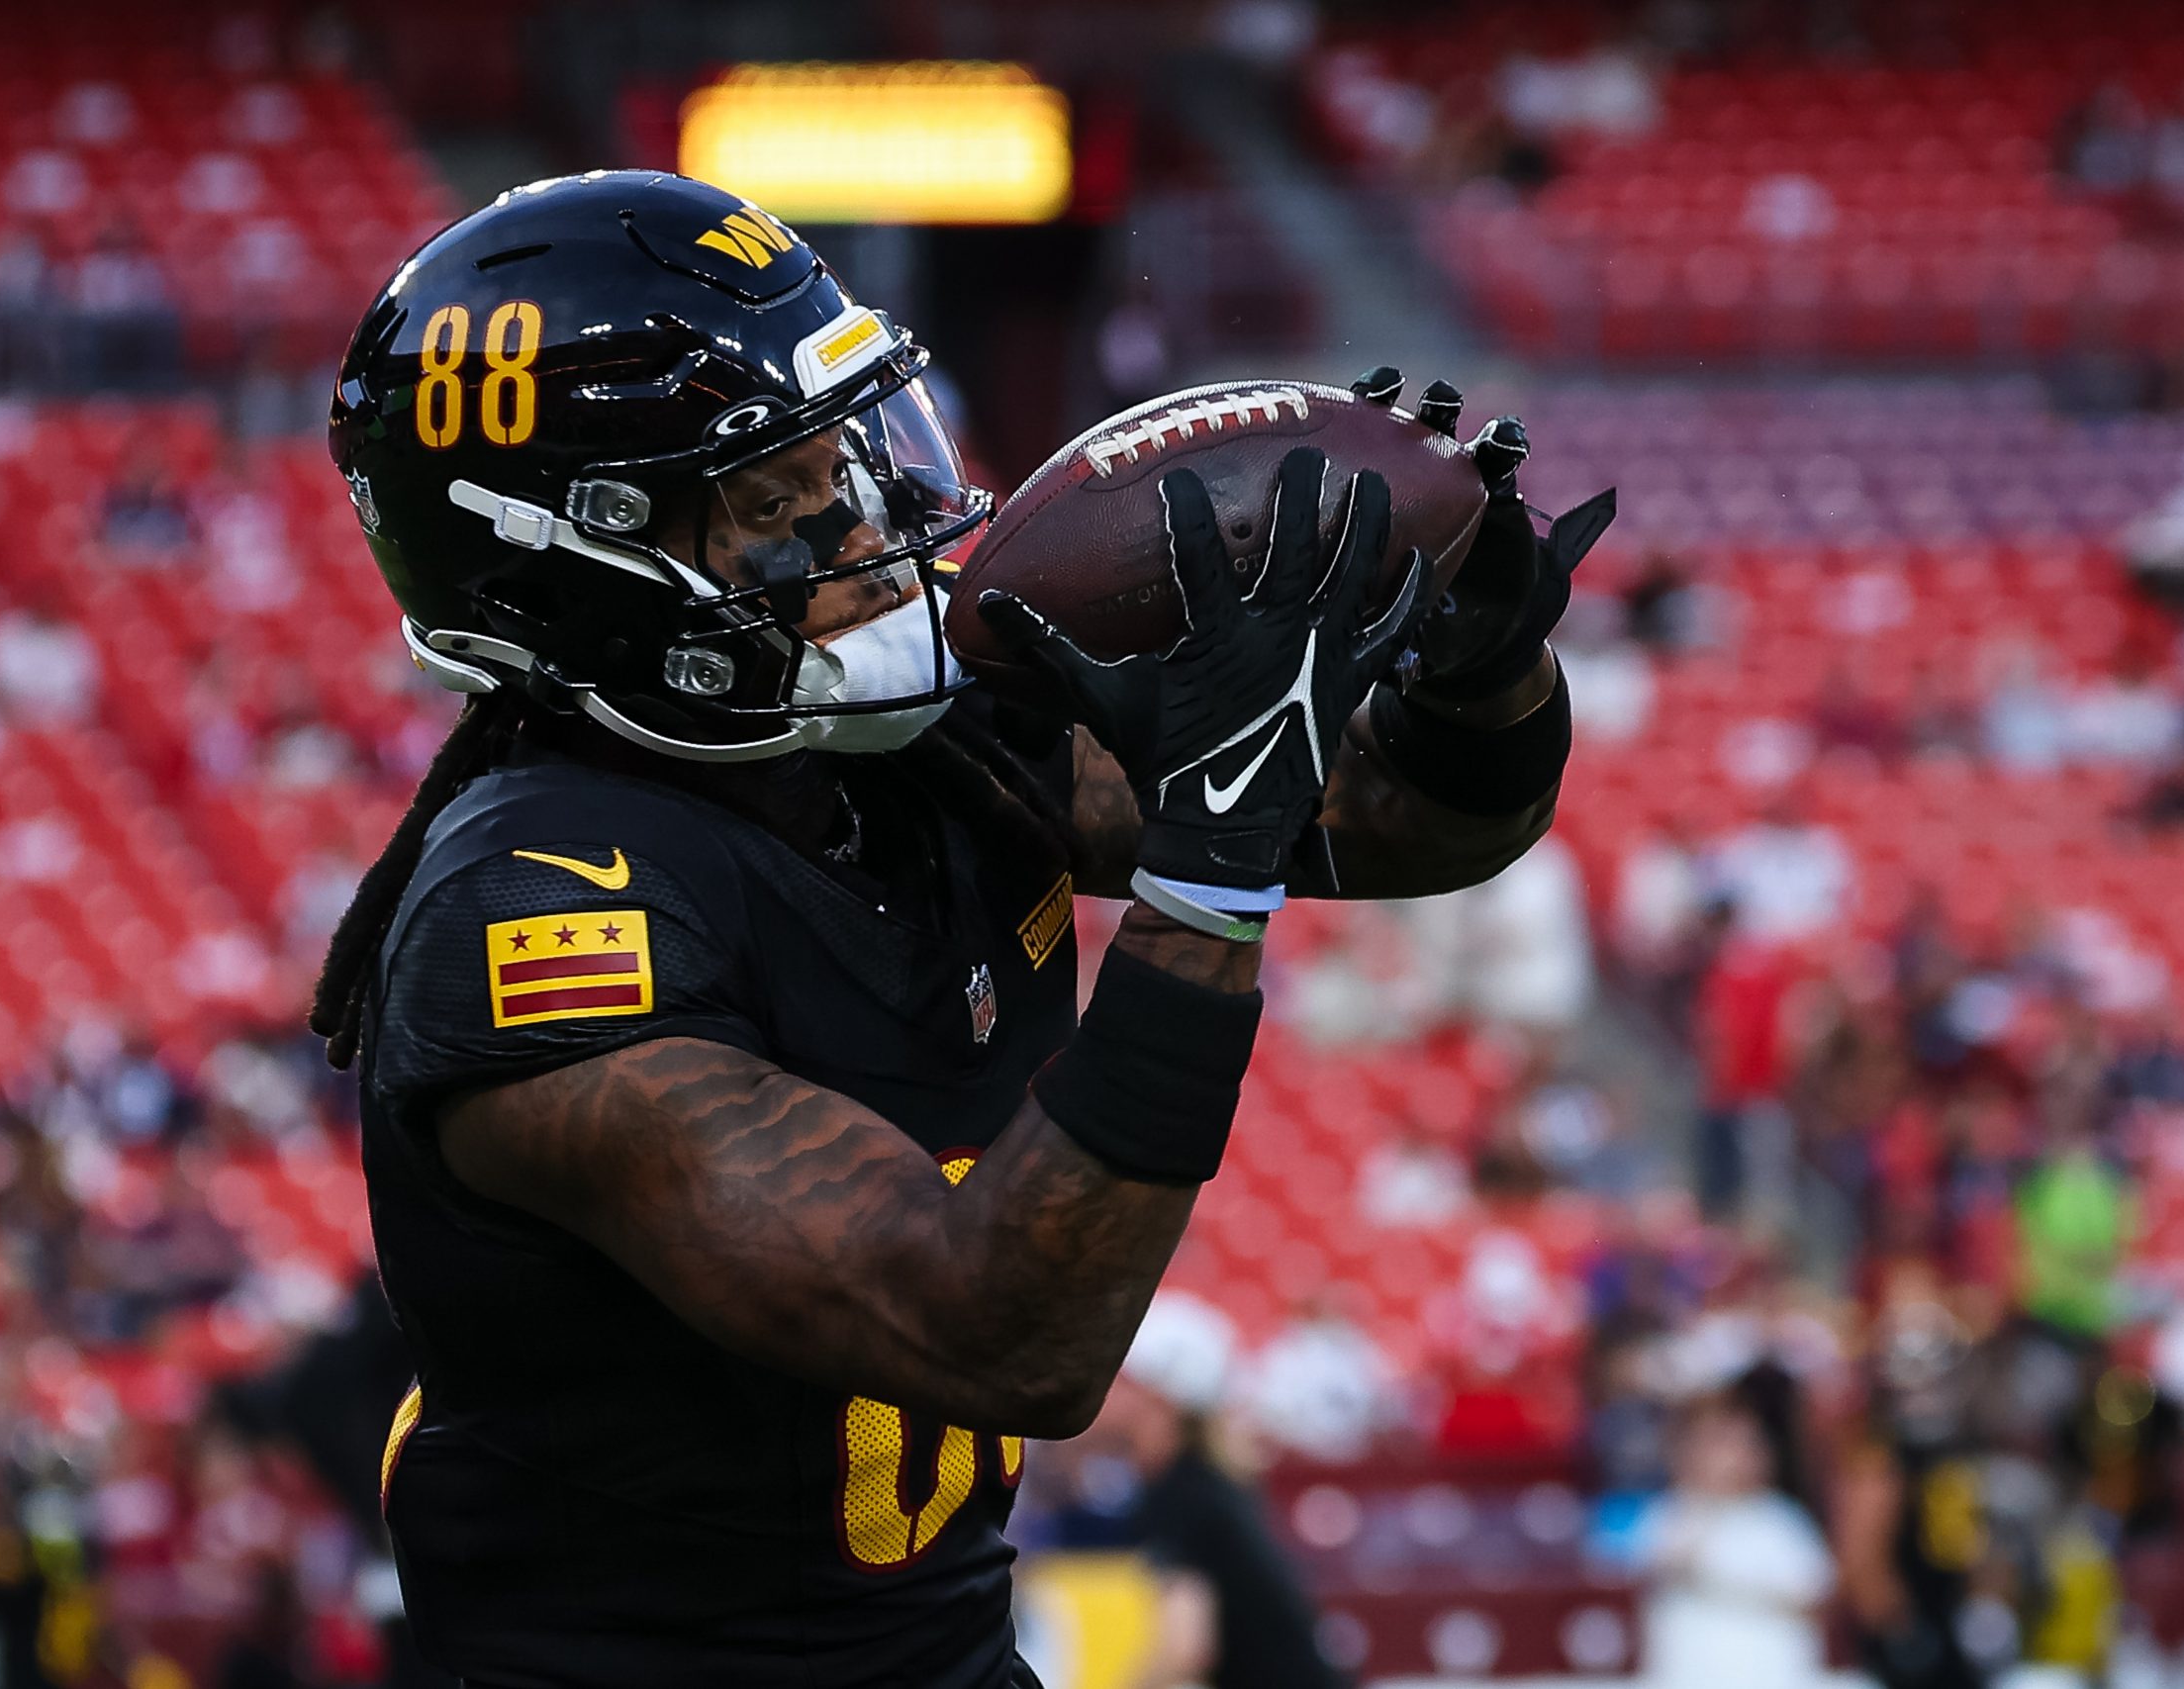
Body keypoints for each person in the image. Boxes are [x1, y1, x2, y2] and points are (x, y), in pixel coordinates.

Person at [314, 171, 1603, 1688]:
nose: (857, 522)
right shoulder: (538, 909)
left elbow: (1428, 823)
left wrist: (1482, 642)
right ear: (578, 558)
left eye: (840, 462)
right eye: (771, 504)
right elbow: (1000, 1330)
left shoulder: (913, 743)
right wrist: (1204, 883)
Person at [1080, 1293, 1347, 1689]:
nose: (1103, 1388)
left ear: (1157, 1396)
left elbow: (1185, 1652)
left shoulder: (1184, 1496)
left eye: (1119, 1377)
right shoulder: (1205, 1486)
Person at [1636, 1391, 1834, 1687]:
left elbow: (1815, 1595)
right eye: (1718, 1444)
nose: (1732, 1456)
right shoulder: (1669, 1514)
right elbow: (1661, 1567)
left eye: (1744, 1444)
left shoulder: (1782, 1520)